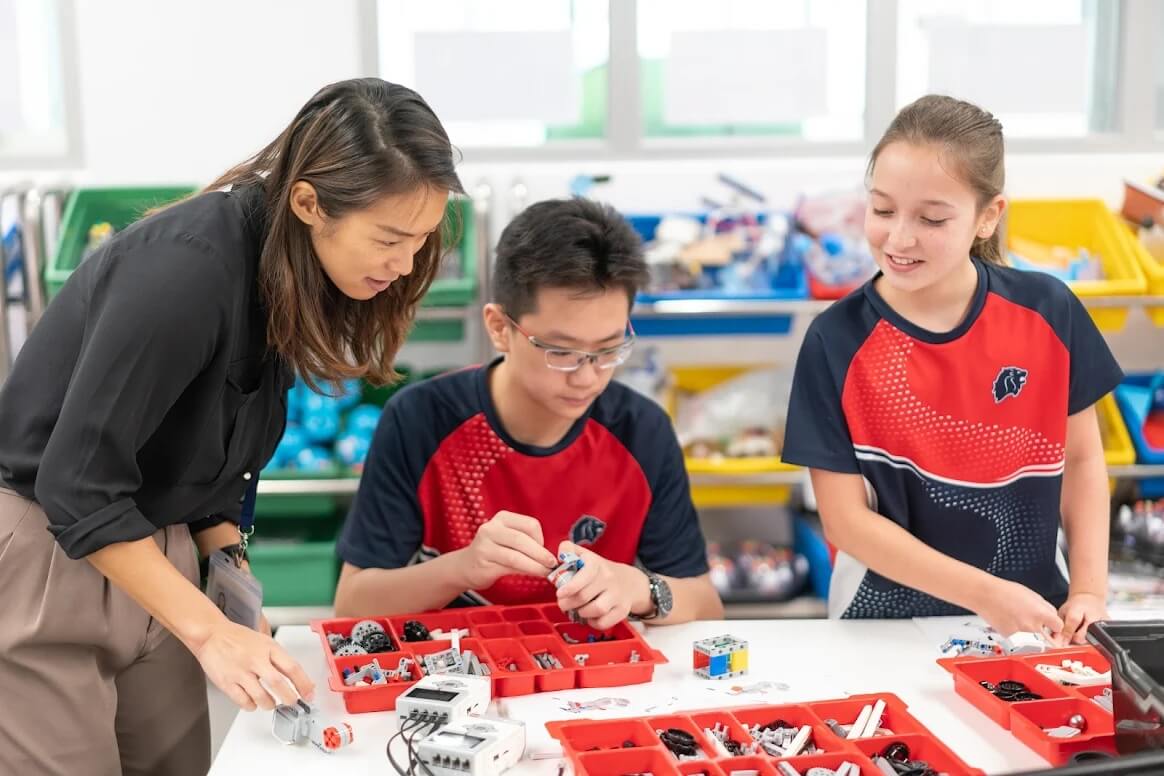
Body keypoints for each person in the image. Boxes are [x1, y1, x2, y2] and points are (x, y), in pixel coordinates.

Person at [0, 78, 461, 776]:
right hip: (51, 550)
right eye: (390, 239)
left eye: (421, 240)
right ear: (309, 201)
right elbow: (78, 485)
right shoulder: (185, 270)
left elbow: (209, 440)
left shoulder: (286, 269)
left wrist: (226, 564)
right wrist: (210, 632)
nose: (403, 266)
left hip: (157, 554)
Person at [782, 95, 1120, 646]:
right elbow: (844, 522)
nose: (898, 238)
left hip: (1038, 620)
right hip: (880, 626)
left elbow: (1082, 459)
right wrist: (986, 593)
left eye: (932, 218)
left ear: (988, 216)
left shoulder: (1048, 312)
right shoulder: (835, 340)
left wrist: (1088, 591)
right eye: (883, 210)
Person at [334, 198, 723, 629]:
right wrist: (462, 568)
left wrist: (639, 589)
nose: (588, 378)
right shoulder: (421, 420)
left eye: (609, 349)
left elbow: (705, 604)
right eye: (560, 351)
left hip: (589, 677)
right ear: (500, 328)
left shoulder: (641, 431)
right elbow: (353, 603)